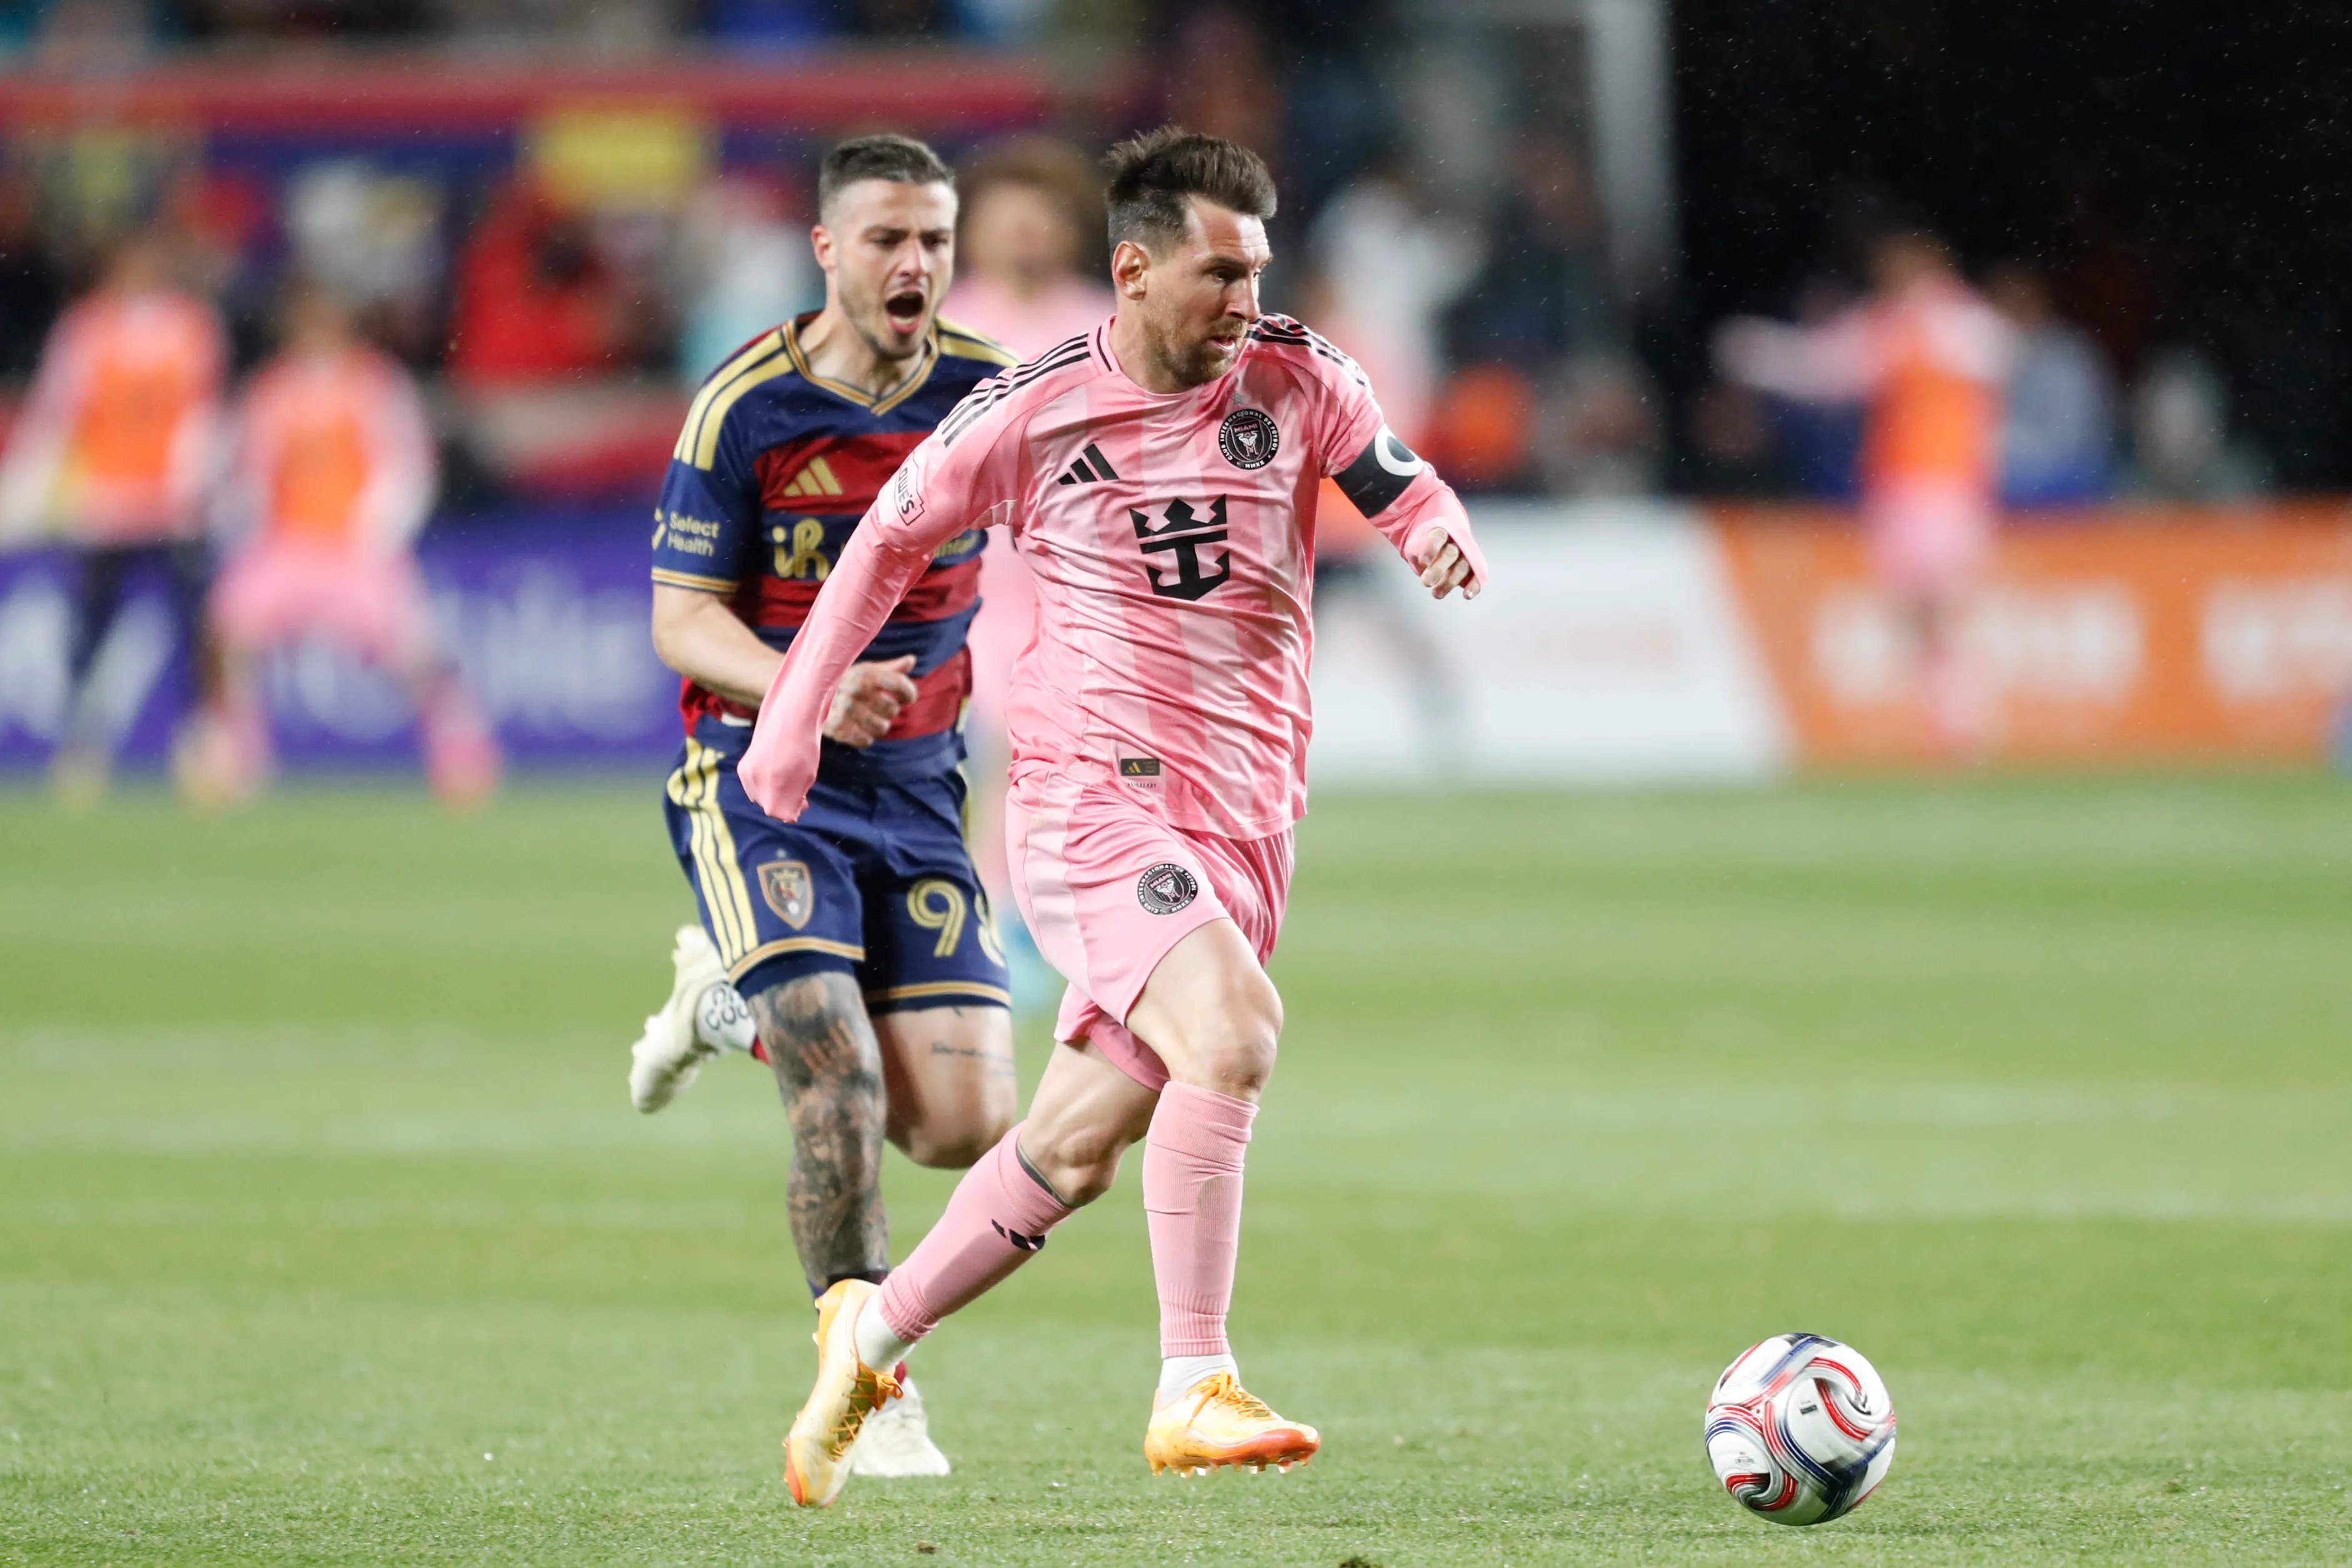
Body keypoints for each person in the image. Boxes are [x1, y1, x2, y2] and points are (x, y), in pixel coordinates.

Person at [736, 127, 1487, 1506]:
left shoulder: (1298, 377)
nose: (1244, 300)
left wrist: (1434, 525)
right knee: (1237, 1032)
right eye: (1217, 274)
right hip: (1093, 805)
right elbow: (880, 550)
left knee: (1076, 1148)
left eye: (1256, 269)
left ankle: (871, 1338)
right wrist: (788, 729)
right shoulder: (1028, 413)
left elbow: (1391, 473)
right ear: (1133, 271)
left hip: (1247, 819)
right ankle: (1190, 1378)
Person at [625, 134, 1023, 1479]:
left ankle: (720, 1005)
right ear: (826, 252)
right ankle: (873, 1382)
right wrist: (811, 680)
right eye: (886, 240)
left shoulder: (986, 394)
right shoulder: (743, 408)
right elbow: (682, 618)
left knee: (959, 1125)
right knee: (836, 1069)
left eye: (933, 241)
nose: (914, 264)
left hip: (916, 787)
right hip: (757, 779)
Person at [177, 281, 499, 806]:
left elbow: (407, 463)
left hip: (353, 547)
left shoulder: (374, 385)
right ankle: (235, 749)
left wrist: (382, 525)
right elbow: (249, 467)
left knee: (411, 653)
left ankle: (461, 747)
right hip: (286, 543)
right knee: (227, 630)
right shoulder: (271, 391)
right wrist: (240, 519)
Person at [1715, 225, 2013, 757]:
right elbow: (1827, 368)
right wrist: (1764, 353)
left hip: (1948, 487)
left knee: (1944, 608)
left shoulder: (1960, 324)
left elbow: (1997, 356)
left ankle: (1959, 723)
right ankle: (1942, 720)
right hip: (1896, 488)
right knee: (1912, 614)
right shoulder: (1891, 326)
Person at [0, 229, 226, 802]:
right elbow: (57, 412)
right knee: (94, 624)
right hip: (106, 500)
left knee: (193, 623)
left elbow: (204, 412)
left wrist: (195, 483)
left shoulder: (192, 327)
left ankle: (200, 741)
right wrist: (28, 484)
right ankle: (81, 743)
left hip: (174, 506)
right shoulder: (85, 329)